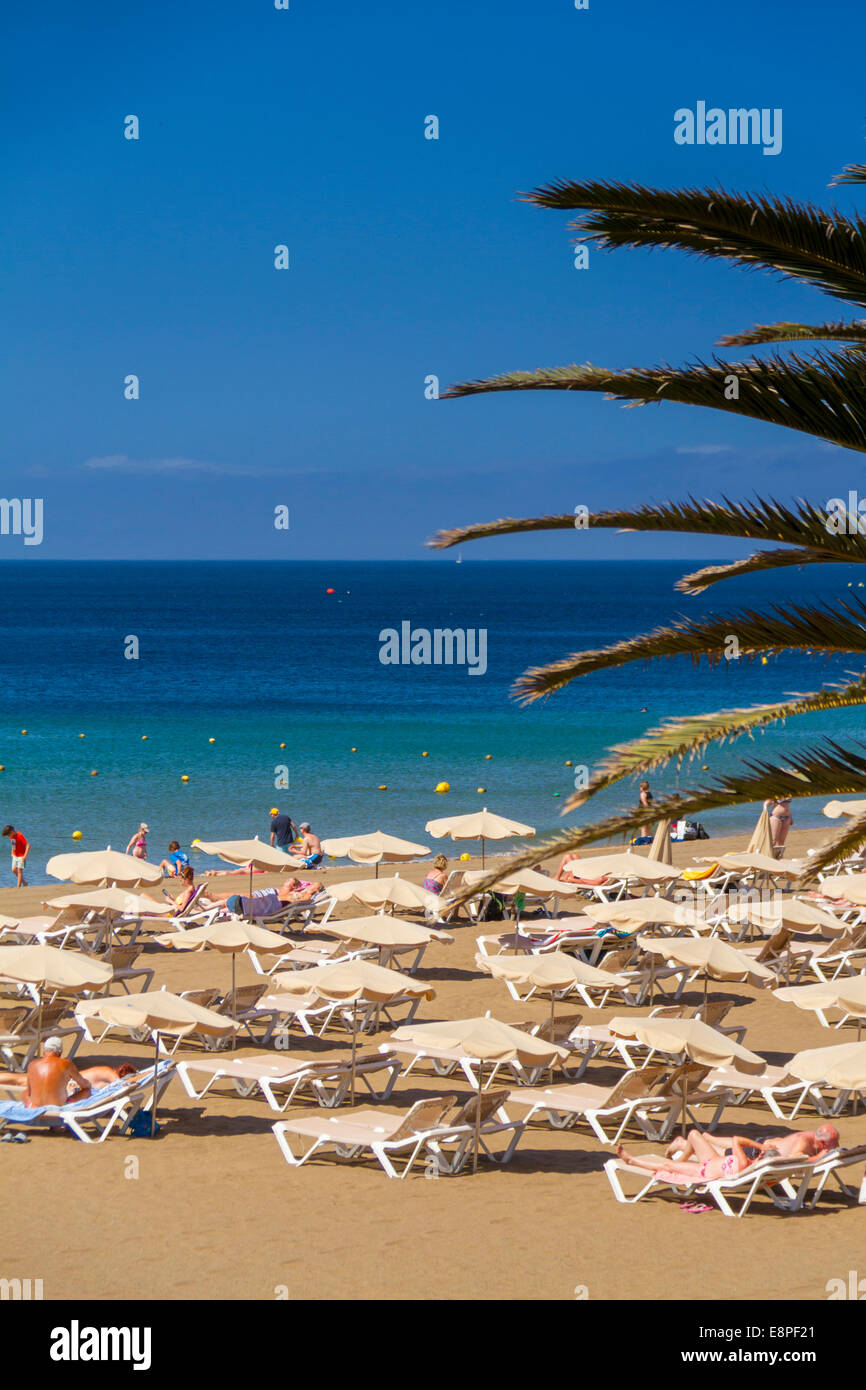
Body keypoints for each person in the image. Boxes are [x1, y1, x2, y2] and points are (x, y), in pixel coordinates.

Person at [616, 1134, 777, 1186]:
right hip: (713, 1159)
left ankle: (632, 1161)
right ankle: (682, 1155)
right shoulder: (749, 1163)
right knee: (693, 1134)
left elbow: (736, 1140)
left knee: (668, 1165)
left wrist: (761, 1146)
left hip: (704, 1171)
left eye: (761, 1154)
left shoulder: (744, 1162)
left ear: (761, 1157)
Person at [663, 1124, 840, 1166]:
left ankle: (707, 1138)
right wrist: (819, 1157)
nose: (836, 1146)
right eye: (833, 1144)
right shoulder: (804, 1141)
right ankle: (683, 1144)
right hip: (757, 1153)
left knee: (722, 1148)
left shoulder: (812, 1138)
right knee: (722, 1153)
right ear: (822, 1142)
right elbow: (796, 1158)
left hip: (766, 1145)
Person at [16, 1038, 91, 1109]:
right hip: (58, 1107)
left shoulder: (32, 1064)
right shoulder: (66, 1063)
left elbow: (30, 1090)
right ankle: (69, 1102)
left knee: (25, 1091)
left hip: (35, 1107)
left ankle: (31, 1106)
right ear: (60, 1052)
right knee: (87, 1091)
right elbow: (84, 1084)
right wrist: (88, 1084)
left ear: (44, 1051)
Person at [210, 877, 323, 918]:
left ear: (317, 890)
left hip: (271, 907)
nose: (311, 885)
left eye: (314, 886)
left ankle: (211, 909)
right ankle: (215, 910)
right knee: (240, 902)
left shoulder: (307, 896)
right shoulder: (304, 893)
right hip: (271, 903)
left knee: (240, 902)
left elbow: (293, 902)